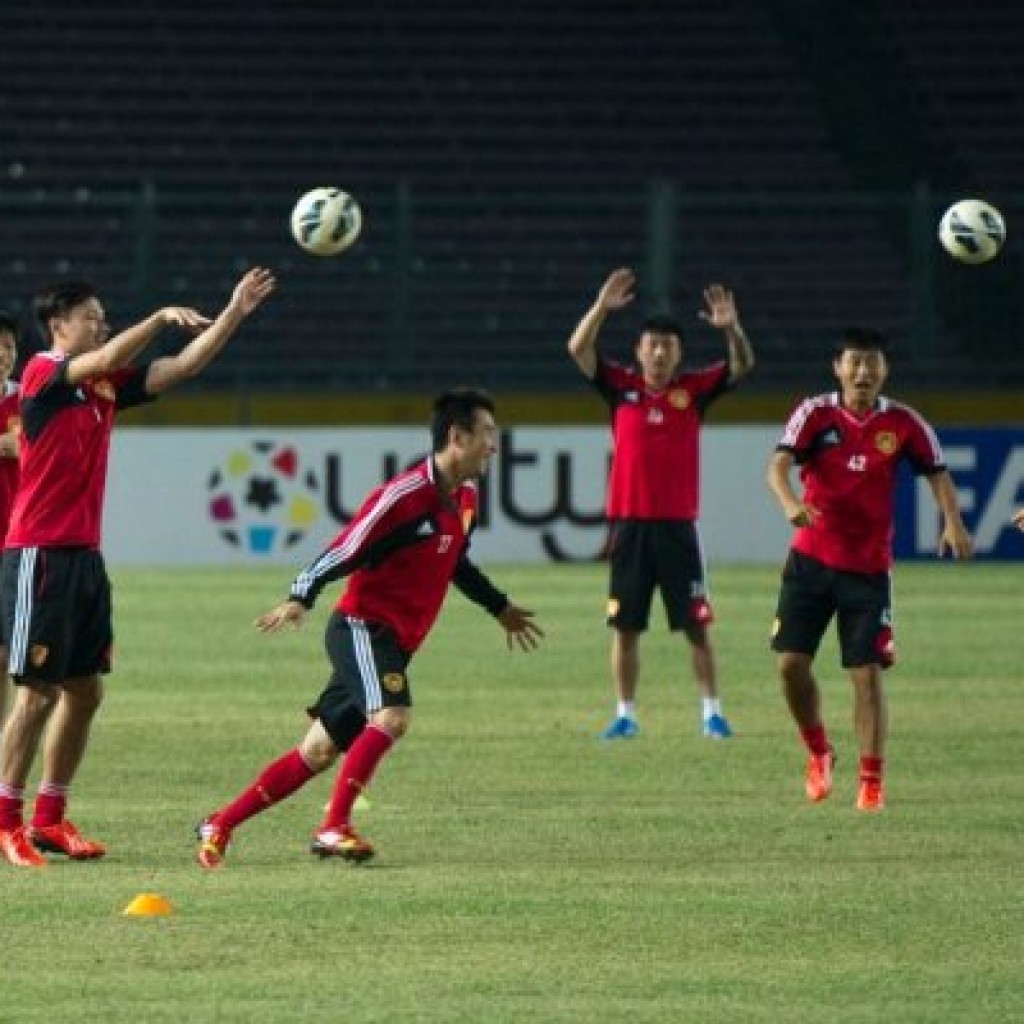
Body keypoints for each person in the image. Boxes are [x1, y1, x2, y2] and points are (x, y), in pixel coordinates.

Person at [195, 388, 542, 869]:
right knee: (392, 717)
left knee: (316, 751)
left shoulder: (466, 498)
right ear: (457, 437)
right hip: (361, 628)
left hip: (394, 641)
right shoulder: (402, 497)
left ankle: (220, 823)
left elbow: (455, 561)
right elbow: (346, 548)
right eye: (487, 435)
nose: (494, 446)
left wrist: (498, 606)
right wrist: (301, 595)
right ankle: (333, 827)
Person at [0, 267, 276, 868]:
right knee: (34, 694)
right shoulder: (43, 375)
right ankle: (5, 822)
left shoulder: (103, 387)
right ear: (58, 326)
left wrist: (232, 313)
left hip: (84, 559)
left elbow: (183, 368)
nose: (101, 323)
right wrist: (153, 320)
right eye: (90, 317)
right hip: (38, 556)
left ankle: (50, 818)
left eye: (104, 316)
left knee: (84, 691)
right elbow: (104, 359)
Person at [767, 327, 973, 813]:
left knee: (866, 673)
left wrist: (953, 521)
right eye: (854, 363)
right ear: (837, 367)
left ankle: (871, 782)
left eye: (872, 364)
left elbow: (937, 472)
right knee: (790, 666)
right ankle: (819, 751)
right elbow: (777, 465)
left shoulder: (904, 423)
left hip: (867, 569)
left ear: (885, 370)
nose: (863, 372)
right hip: (810, 560)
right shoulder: (814, 414)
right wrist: (789, 501)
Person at [567, 268, 755, 741]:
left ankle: (712, 712)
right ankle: (625, 715)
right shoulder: (619, 388)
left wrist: (731, 328)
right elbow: (577, 349)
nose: (657, 353)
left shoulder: (692, 392)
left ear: (678, 354)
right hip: (630, 527)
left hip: (677, 527)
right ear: (638, 351)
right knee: (625, 627)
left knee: (696, 626)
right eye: (651, 345)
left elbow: (742, 366)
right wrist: (600, 309)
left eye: (667, 346)